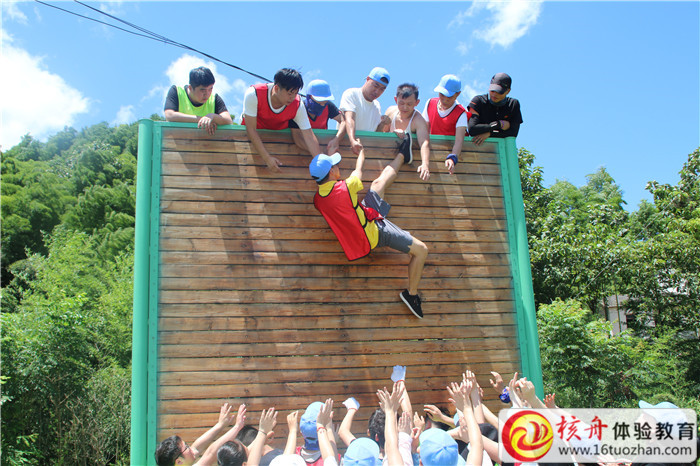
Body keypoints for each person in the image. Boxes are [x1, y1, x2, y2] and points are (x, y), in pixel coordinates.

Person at [309, 148, 429, 318]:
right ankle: (412, 295)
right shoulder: (346, 187)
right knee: (422, 250)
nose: (338, 166)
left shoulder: (318, 201)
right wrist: (361, 152)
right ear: (331, 172)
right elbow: (359, 170)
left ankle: (403, 153)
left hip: (363, 221)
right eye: (335, 165)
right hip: (374, 233)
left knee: (378, 184)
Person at [242, 68, 321, 171]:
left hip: (278, 144)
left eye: (296, 93)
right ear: (276, 88)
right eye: (290, 93)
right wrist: (267, 158)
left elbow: (309, 136)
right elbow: (251, 129)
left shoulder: (298, 105)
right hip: (251, 142)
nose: (293, 97)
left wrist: (321, 162)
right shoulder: (254, 94)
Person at [155, 403, 246, 466]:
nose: (190, 447)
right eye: (186, 447)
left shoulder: (182, 462)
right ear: (179, 462)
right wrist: (237, 427)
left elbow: (196, 448)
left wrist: (220, 425)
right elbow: (210, 454)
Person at [422, 74, 471, 175]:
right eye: (442, 94)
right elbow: (424, 131)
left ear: (458, 94)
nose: (445, 99)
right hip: (433, 152)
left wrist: (453, 157)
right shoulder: (430, 103)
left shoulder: (461, 113)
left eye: (449, 96)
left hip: (452, 155)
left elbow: (459, 140)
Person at [164, 66, 233, 135]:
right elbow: (169, 115)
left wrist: (212, 116)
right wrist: (202, 119)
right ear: (190, 88)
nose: (207, 94)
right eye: (202, 90)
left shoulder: (214, 98)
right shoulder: (177, 91)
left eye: (210, 89)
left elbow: (228, 120)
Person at [382, 83, 431, 181]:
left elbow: (424, 143)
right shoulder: (390, 112)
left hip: (407, 166)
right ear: (396, 100)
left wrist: (425, 164)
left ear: (417, 102)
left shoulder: (418, 120)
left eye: (409, 104)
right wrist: (393, 133)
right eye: (401, 103)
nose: (405, 107)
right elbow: (382, 133)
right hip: (387, 159)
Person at [338, 67, 392, 155]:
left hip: (365, 153)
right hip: (345, 150)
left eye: (382, 89)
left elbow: (375, 134)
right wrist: (353, 141)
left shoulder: (377, 105)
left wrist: (382, 124)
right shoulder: (351, 94)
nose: (377, 91)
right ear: (367, 79)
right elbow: (349, 118)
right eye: (375, 86)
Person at [290, 79, 345, 155]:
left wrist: (336, 139)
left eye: (325, 102)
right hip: (300, 152)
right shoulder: (298, 109)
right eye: (319, 101)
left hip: (323, 144)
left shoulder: (328, 106)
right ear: (309, 97)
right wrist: (318, 151)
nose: (322, 105)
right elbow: (298, 139)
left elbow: (343, 121)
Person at [467, 73, 523, 146]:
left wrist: (490, 133)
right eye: (492, 91)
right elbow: (472, 129)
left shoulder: (513, 104)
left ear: (508, 91)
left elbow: (513, 133)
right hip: (477, 148)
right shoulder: (478, 101)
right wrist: (498, 124)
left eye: (499, 92)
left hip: (501, 149)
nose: (494, 95)